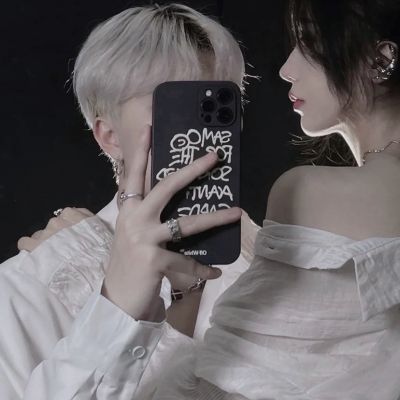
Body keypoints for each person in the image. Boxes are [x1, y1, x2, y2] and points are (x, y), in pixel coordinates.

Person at [0, 4, 260, 399]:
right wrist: (116, 305)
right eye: (176, 106)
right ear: (110, 136)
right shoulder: (28, 288)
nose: (204, 133)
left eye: (219, 105)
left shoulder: (271, 263)